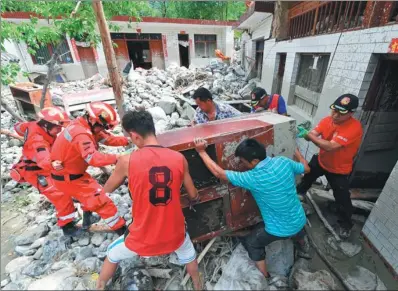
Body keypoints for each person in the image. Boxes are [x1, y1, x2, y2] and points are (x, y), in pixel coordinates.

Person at [97, 111, 202, 290]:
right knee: (189, 254)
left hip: (141, 239)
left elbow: (106, 190)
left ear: (135, 136)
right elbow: (193, 195)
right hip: (174, 236)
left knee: (112, 254)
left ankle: (99, 285)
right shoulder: (179, 158)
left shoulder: (126, 161)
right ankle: (198, 285)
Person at [194, 137, 310, 283]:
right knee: (295, 225)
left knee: (253, 243)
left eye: (242, 161)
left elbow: (220, 174)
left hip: (280, 229)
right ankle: (301, 241)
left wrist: (201, 152)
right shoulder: (283, 162)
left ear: (254, 161)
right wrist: (298, 153)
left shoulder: (253, 177)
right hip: (300, 218)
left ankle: (266, 277)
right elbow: (306, 168)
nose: (241, 164)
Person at [50, 102, 128, 236]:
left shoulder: (86, 126)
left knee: (89, 196)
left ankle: (87, 220)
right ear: (92, 119)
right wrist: (118, 157)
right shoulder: (81, 134)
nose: (103, 130)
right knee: (101, 201)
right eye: (102, 126)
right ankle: (123, 232)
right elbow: (94, 159)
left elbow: (107, 139)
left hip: (72, 174)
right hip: (68, 178)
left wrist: (128, 141)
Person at [296, 94, 363, 239]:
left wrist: (309, 135)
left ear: (351, 113)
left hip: (339, 169)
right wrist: (307, 133)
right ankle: (299, 194)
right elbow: (314, 133)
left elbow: (330, 146)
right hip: (321, 161)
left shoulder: (354, 127)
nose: (336, 115)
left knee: (342, 199)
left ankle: (345, 224)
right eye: (334, 110)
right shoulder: (327, 120)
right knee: (307, 177)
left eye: (341, 113)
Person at [11, 107, 77, 233]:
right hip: (35, 171)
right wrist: (55, 164)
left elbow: (18, 127)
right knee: (60, 194)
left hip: (38, 165)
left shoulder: (33, 125)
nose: (59, 130)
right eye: (57, 127)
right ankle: (67, 226)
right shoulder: (37, 141)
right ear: (46, 125)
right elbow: (44, 160)